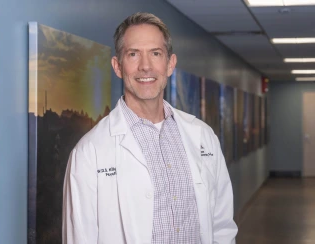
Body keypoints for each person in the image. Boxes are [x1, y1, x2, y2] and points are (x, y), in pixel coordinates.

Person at [63, 12, 238, 244]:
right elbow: (79, 238)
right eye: (133, 54)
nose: (145, 66)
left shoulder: (203, 136)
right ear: (117, 66)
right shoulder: (88, 153)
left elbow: (222, 226)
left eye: (156, 54)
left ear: (170, 63)